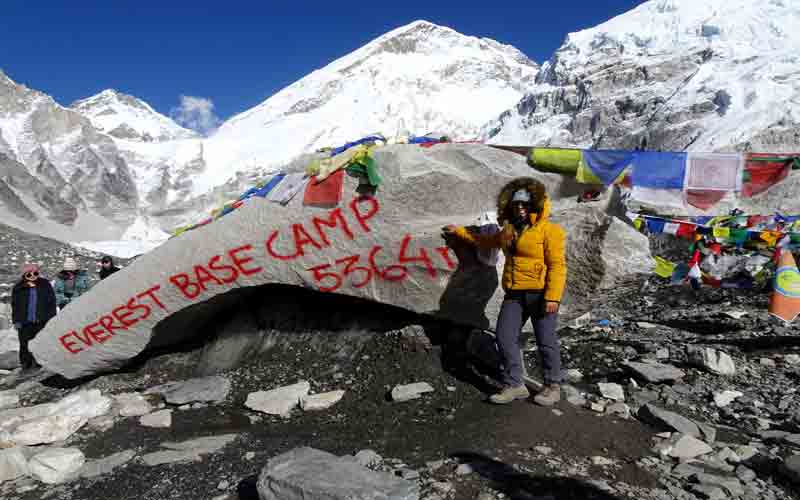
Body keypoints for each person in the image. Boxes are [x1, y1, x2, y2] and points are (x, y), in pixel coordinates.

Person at [443, 178, 567, 406]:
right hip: (515, 294)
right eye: (516, 204)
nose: (520, 208)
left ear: (535, 205)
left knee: (546, 340)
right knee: (504, 336)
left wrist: (553, 297)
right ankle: (515, 384)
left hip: (540, 294)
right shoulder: (509, 231)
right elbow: (486, 241)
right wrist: (459, 232)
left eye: (525, 204)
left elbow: (557, 265)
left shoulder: (550, 231)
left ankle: (552, 385)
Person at [10, 264, 57, 371]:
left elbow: (52, 302)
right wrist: (16, 321)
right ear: (24, 275)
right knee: (24, 343)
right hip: (24, 321)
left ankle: (40, 362)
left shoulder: (45, 284)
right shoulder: (18, 287)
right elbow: (15, 305)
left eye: (35, 273)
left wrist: (52, 318)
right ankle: (25, 363)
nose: (32, 276)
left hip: (42, 320)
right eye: (29, 274)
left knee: (40, 342)